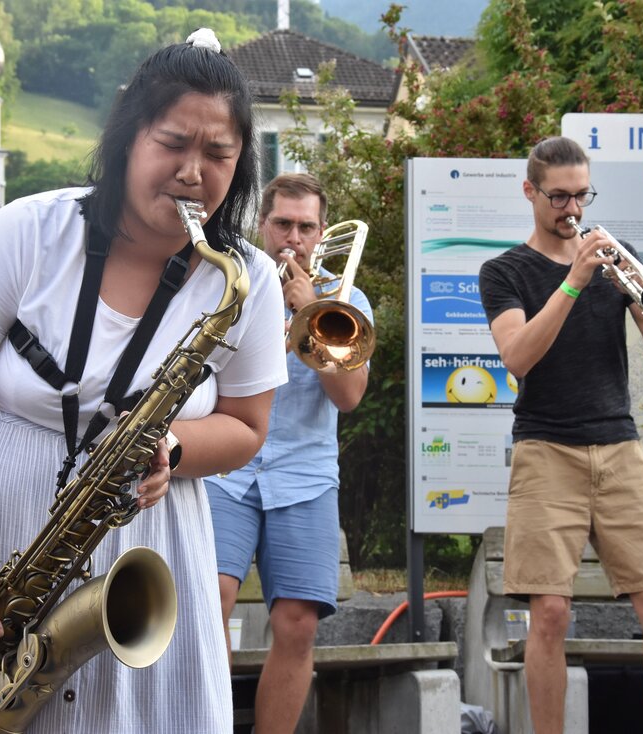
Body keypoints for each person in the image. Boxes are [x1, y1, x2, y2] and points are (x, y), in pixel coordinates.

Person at [0, 29, 288, 734]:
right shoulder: (26, 234)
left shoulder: (246, 279)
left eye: (218, 154)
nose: (194, 172)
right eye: (173, 144)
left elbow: (249, 427)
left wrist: (175, 447)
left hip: (146, 558)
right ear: (129, 137)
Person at [478, 136, 643, 734]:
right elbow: (518, 356)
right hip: (546, 450)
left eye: (581, 194)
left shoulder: (614, 258)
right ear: (531, 192)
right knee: (549, 613)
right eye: (559, 196)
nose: (572, 208)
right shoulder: (504, 271)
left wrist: (641, 298)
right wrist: (573, 281)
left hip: (620, 448)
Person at [205, 172, 373, 733]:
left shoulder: (346, 301)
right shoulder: (230, 283)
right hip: (224, 469)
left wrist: (310, 315)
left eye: (305, 227)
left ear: (322, 234)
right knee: (212, 606)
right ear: (261, 224)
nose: (292, 239)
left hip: (305, 473)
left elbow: (348, 396)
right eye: (282, 224)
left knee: (298, 624)